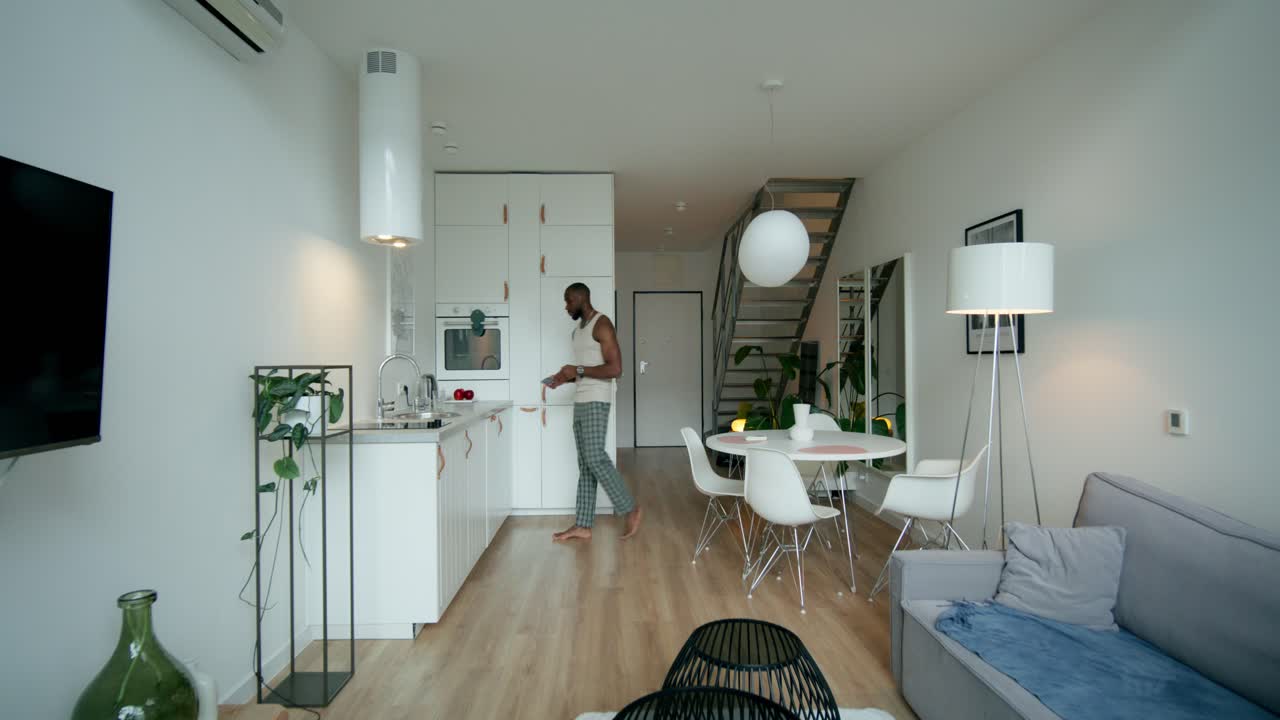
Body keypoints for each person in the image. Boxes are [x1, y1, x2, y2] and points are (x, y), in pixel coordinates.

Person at [546, 282, 643, 542]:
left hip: (597, 400)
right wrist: (563, 377)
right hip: (580, 399)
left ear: (580, 298)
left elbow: (615, 369)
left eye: (568, 301)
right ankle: (583, 525)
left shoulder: (602, 324)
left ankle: (630, 508)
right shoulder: (577, 332)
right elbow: (583, 370)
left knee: (595, 457)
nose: (566, 307)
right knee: (585, 464)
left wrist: (576, 370)